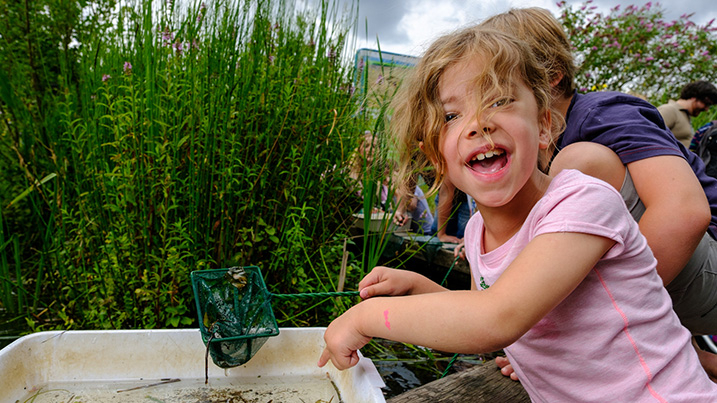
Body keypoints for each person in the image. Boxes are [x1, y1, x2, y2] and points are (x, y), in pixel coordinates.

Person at [318, 26, 717, 400]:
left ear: (544, 125)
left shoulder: (581, 200)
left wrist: (365, 317)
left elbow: (496, 319)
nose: (478, 124)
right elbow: (486, 321)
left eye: (497, 100)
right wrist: (420, 287)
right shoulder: (475, 232)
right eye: (451, 116)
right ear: (436, 157)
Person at [479, 7, 717, 381]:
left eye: (500, 89)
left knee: (579, 163)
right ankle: (689, 356)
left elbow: (684, 212)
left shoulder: (599, 114)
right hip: (671, 283)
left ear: (552, 78)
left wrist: (573, 333)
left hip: (705, 262)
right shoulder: (531, 143)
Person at [658, 81, 717, 148]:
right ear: (694, 97)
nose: (706, 109)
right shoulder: (669, 110)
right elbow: (649, 135)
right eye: (706, 104)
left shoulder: (684, 115)